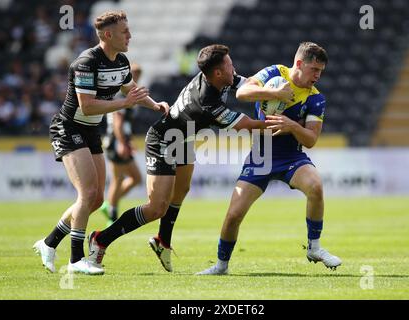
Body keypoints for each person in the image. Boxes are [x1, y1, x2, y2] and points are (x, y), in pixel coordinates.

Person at [87, 44, 287, 274]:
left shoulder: (217, 76)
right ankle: (101, 239)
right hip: (163, 139)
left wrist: (272, 90)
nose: (234, 69)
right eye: (230, 65)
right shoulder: (207, 102)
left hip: (183, 138)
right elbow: (250, 126)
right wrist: (287, 124)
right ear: (218, 73)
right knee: (156, 208)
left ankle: (163, 241)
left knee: (181, 190)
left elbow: (247, 82)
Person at [32, 11, 169, 275]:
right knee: (86, 193)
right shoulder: (86, 62)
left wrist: (154, 105)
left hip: (91, 131)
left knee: (96, 199)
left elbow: (132, 91)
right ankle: (75, 260)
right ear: (108, 35)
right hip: (68, 128)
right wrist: (124, 103)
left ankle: (49, 243)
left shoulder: (122, 61)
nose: (129, 35)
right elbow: (87, 105)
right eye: (124, 32)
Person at [197, 42, 342, 275]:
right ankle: (221, 266)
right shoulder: (274, 73)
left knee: (315, 186)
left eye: (321, 71)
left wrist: (292, 126)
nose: (318, 75)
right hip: (260, 156)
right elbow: (242, 93)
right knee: (234, 215)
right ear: (299, 64)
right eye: (314, 69)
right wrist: (275, 93)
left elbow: (311, 139)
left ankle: (314, 247)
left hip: (291, 157)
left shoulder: (316, 99)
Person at [99, 63, 144, 226]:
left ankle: (110, 205)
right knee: (121, 179)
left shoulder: (127, 94)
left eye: (139, 75)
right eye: (135, 74)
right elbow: (118, 123)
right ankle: (111, 213)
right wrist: (122, 143)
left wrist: (128, 141)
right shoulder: (121, 95)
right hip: (115, 142)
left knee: (130, 178)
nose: (137, 77)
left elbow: (125, 125)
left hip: (119, 141)